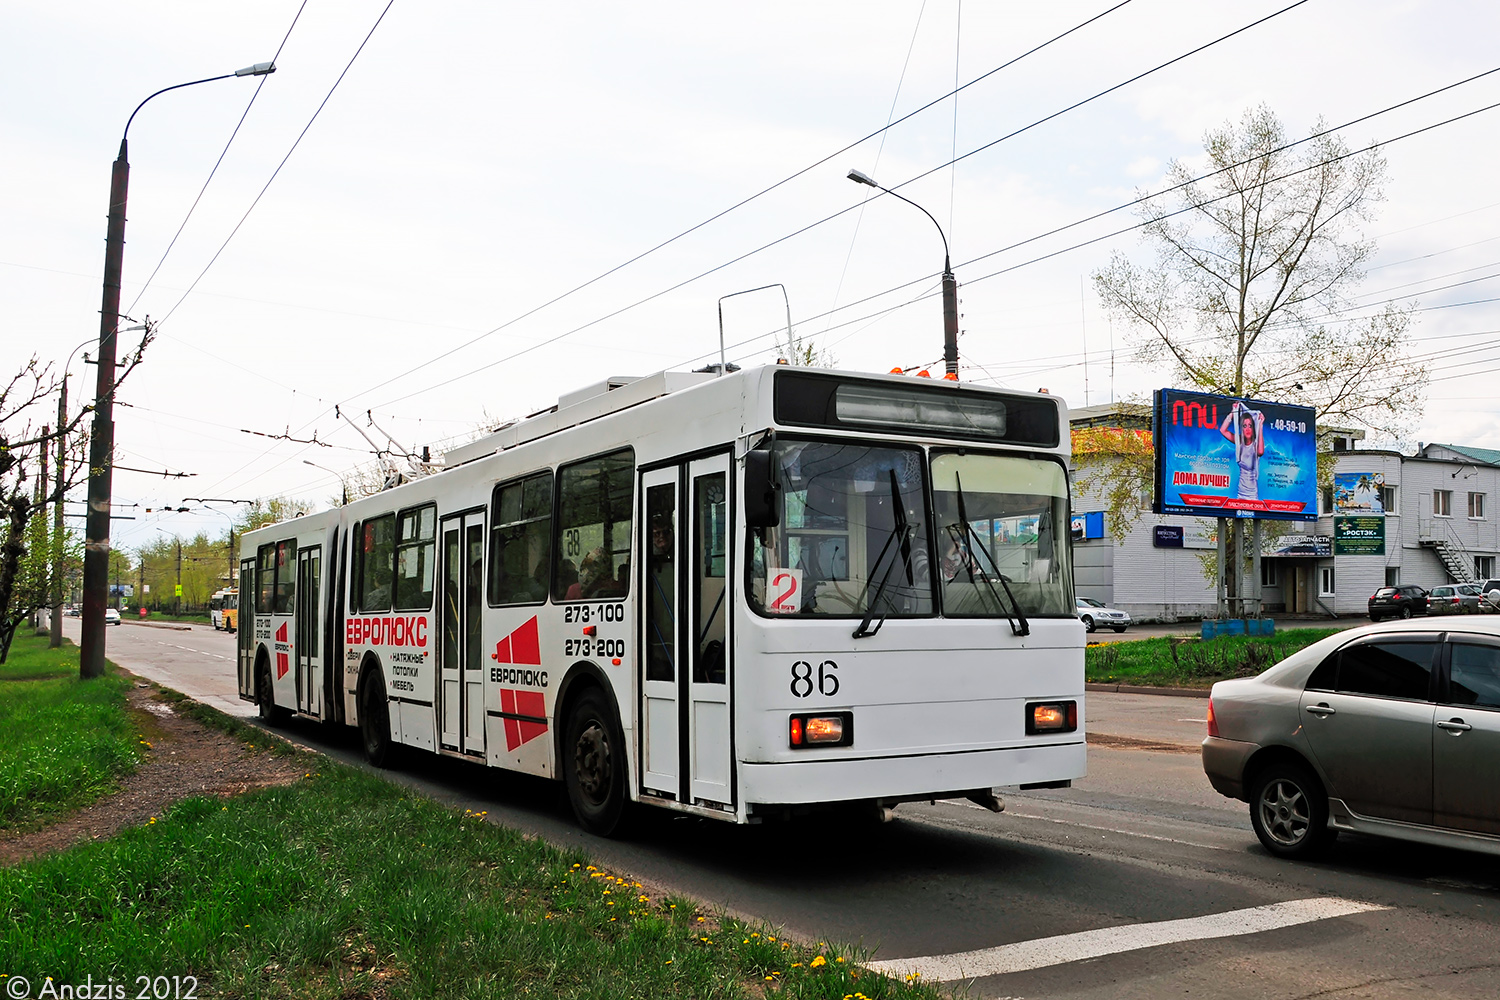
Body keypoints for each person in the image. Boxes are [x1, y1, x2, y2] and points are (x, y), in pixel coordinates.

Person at [1218, 401, 1265, 501]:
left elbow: (1260, 452)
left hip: (1252, 495)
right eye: (1244, 426)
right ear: (1241, 428)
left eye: (1250, 426)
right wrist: (1233, 412)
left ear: (1253, 428)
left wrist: (1260, 425)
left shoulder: (1255, 445)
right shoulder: (1239, 442)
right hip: (1240, 493)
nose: (1247, 429)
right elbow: (1223, 430)